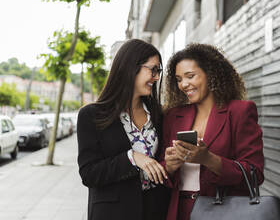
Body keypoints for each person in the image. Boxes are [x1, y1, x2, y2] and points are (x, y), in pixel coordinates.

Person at [160, 43, 264, 220]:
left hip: (222, 211)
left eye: (190, 76)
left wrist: (208, 159)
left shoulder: (240, 111)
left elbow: (255, 172)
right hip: (179, 211)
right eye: (178, 79)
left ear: (211, 74)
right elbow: (161, 168)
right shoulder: (173, 116)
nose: (184, 84)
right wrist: (168, 166)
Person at [77, 39, 169, 220]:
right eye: (153, 69)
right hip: (113, 214)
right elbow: (89, 174)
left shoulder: (158, 114)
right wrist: (132, 158)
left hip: (155, 210)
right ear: (130, 67)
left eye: (159, 71)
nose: (157, 77)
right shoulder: (91, 115)